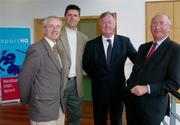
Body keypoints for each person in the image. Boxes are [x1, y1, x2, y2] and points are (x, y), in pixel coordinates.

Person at [83, 11, 137, 125]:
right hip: (99, 89)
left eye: (110, 22)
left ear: (114, 24)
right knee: (99, 119)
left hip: (118, 89)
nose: (107, 25)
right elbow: (86, 64)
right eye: (103, 22)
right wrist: (98, 76)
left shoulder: (124, 41)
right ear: (99, 25)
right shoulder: (91, 45)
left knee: (117, 119)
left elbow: (137, 60)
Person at [125, 14, 180, 125]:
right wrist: (129, 85)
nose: (157, 27)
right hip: (132, 104)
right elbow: (136, 72)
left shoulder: (175, 49)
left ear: (169, 27)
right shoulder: (143, 47)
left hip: (152, 109)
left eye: (161, 23)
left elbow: (174, 83)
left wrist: (147, 88)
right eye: (154, 23)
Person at [18, 16, 65, 125]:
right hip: (42, 109)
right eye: (51, 26)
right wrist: (29, 101)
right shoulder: (36, 49)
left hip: (59, 107)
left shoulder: (58, 49)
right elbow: (25, 79)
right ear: (44, 30)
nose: (55, 29)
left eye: (58, 26)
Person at [57, 4, 88, 125]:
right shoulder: (56, 35)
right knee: (56, 115)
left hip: (77, 83)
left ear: (79, 18)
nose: (72, 18)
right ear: (65, 16)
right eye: (69, 15)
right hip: (59, 82)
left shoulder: (84, 38)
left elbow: (86, 60)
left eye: (75, 15)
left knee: (76, 116)